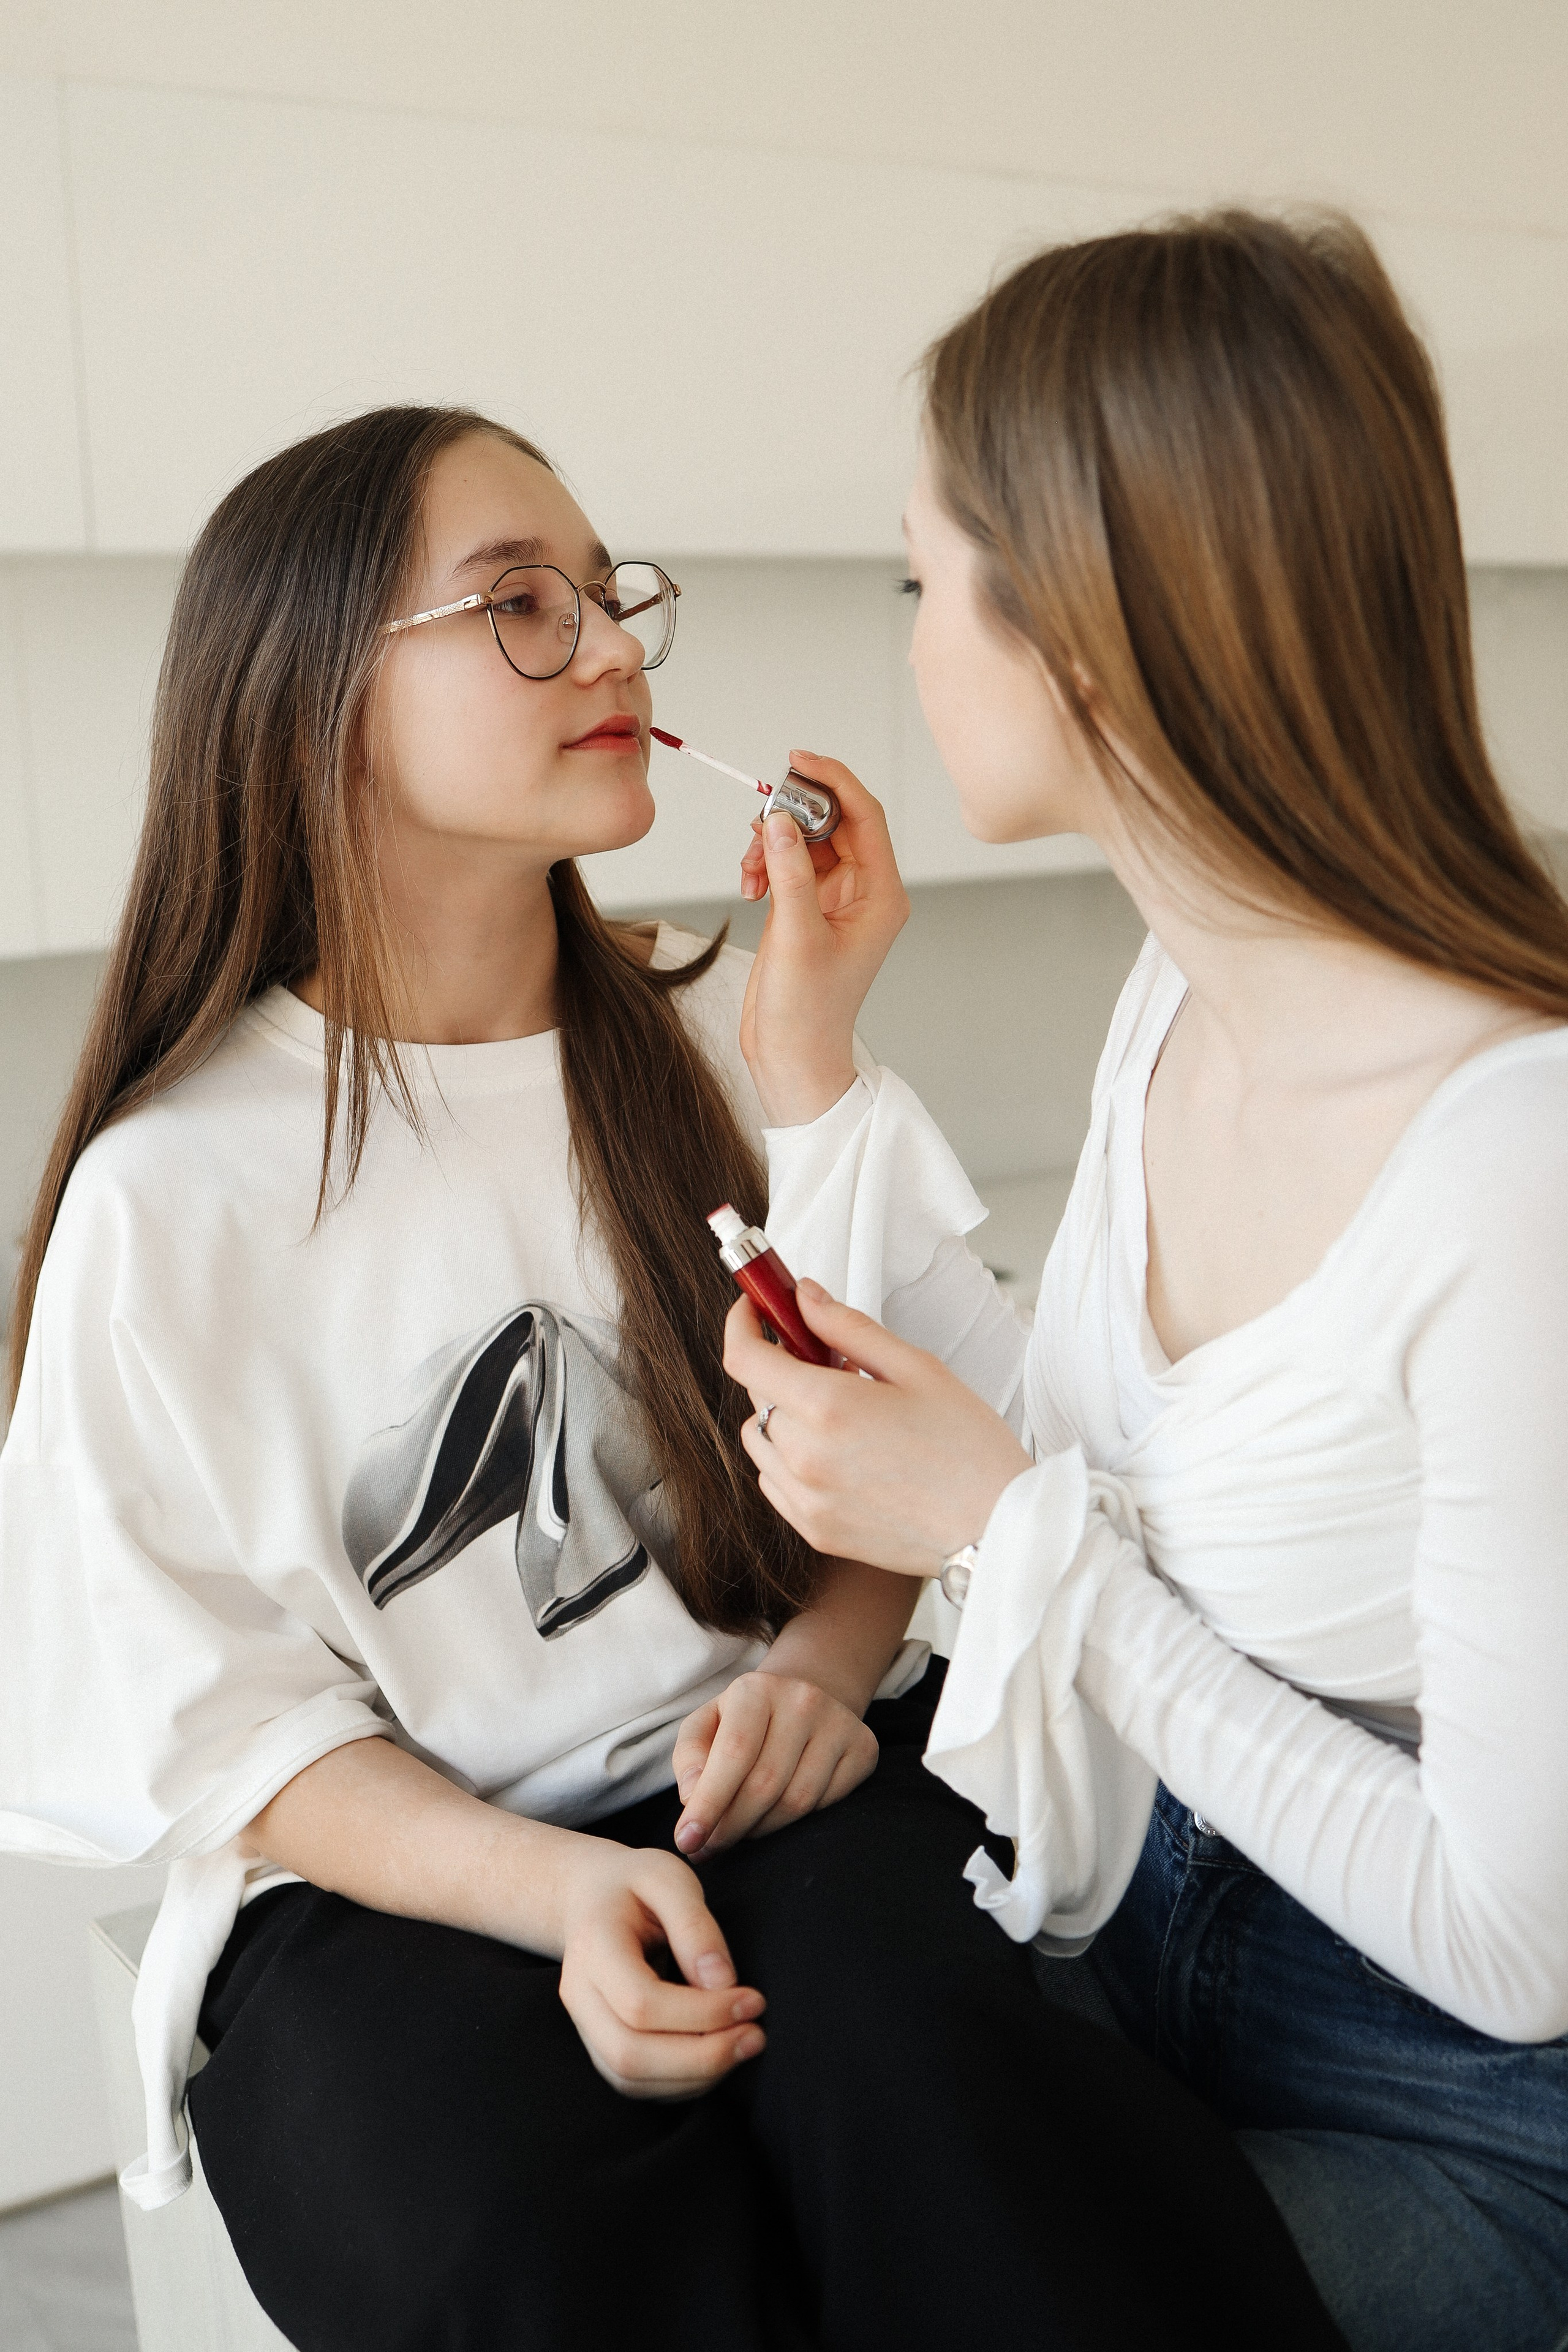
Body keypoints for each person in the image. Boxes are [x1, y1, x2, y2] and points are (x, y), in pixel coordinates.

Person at [0, 405, 1341, 2351]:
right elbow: (211, 1725)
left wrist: (813, 1682)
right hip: (397, 1880)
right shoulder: (172, 1194)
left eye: (612, 598)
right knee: (496, 2238)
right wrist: (544, 1893)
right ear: (311, 698)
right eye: (520, 609)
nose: (615, 647)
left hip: (780, 1788)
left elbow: (907, 1447)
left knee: (967, 2130)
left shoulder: (728, 1022)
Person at [724, 210, 1568, 2352]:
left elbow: (1516, 1938)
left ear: (1082, 638)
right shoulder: (1174, 998)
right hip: (1152, 1926)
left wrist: (1004, 1539)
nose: (911, 644)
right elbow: (1141, 1468)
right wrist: (810, 1073)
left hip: (1468, 2109)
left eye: (929, 586)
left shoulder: (1515, 1157)